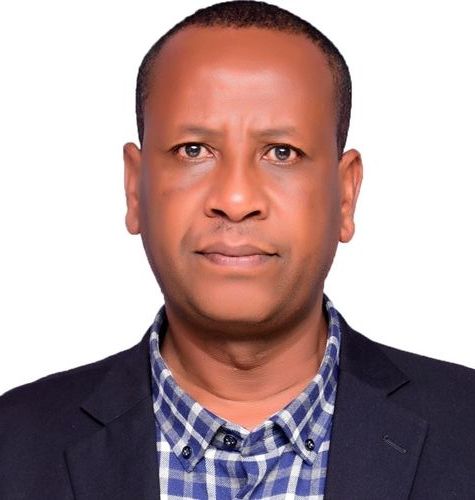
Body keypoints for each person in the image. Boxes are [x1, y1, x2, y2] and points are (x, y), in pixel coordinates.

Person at [1, 1, 474, 498]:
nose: (235, 199)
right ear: (135, 188)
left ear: (346, 196)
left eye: (281, 153)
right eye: (193, 150)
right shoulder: (13, 448)